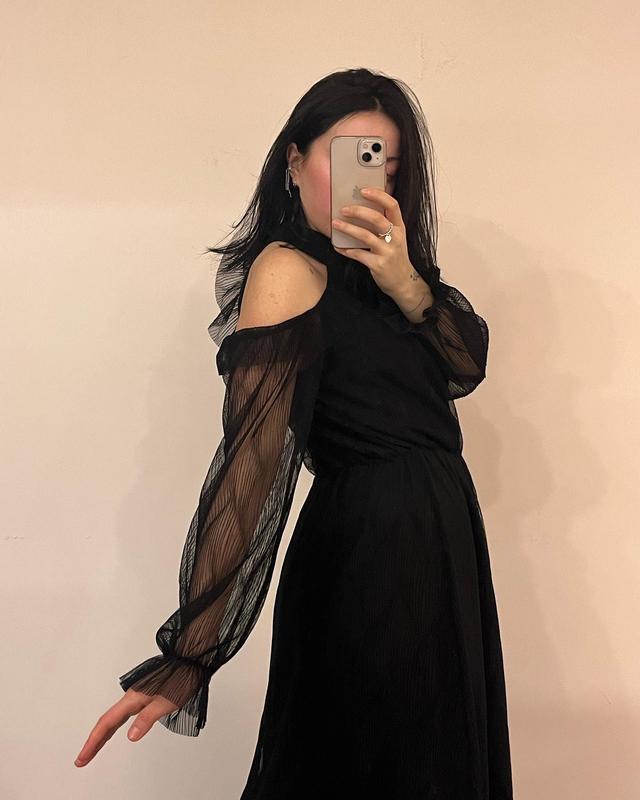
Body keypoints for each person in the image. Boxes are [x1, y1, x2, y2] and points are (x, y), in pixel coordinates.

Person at [75, 67, 513, 799]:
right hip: (371, 550)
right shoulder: (286, 270)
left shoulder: (392, 277)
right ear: (294, 160)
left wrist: (406, 281)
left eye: (386, 164)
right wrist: (193, 651)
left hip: (442, 546)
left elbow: (468, 364)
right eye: (349, 155)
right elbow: (252, 463)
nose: (369, 181)